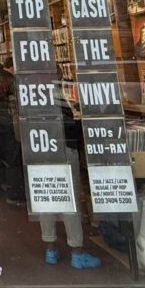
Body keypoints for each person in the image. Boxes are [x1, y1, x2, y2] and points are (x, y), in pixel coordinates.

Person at [39, 102, 101, 269]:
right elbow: (67, 128)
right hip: (63, 149)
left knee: (46, 197)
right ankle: (77, 252)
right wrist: (80, 120)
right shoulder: (54, 96)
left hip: (39, 150)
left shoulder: (33, 95)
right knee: (69, 199)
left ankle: (50, 249)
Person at [0, 57, 25, 205]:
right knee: (13, 160)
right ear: (13, 67)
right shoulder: (11, 80)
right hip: (8, 125)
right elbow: (19, 102)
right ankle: (14, 194)